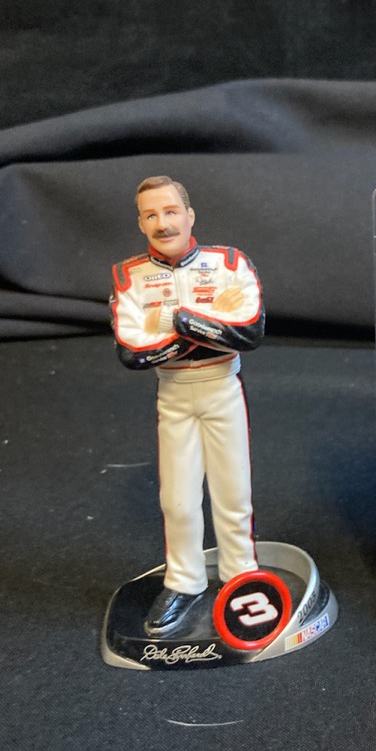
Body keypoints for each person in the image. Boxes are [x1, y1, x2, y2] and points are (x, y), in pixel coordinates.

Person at [110, 175, 265, 636]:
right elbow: (132, 352)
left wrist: (174, 319)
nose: (163, 223)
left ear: (190, 215)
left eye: (171, 211)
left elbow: (248, 332)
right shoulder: (130, 276)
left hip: (222, 388)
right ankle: (184, 580)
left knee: (233, 493)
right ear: (140, 223)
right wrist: (210, 321)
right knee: (177, 501)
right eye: (151, 214)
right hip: (174, 394)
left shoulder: (230, 263)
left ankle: (240, 574)